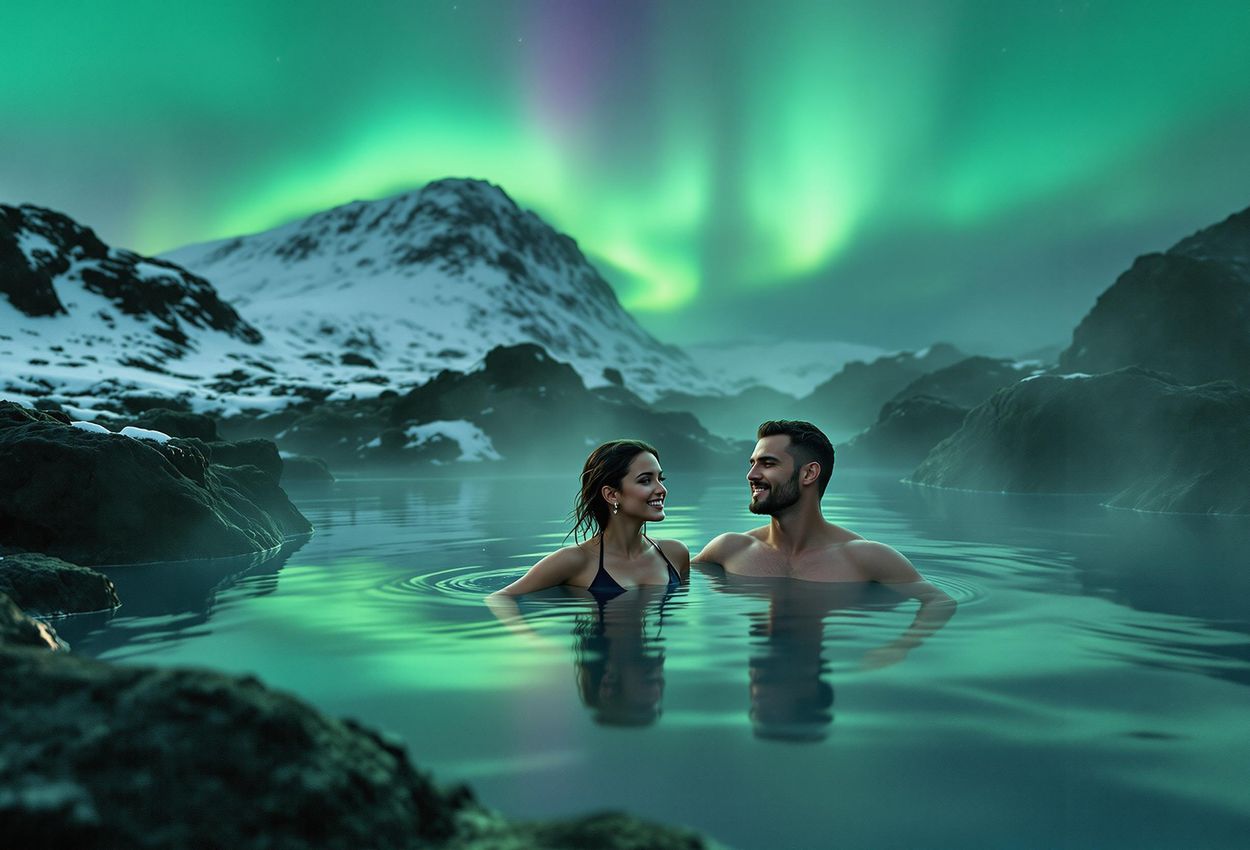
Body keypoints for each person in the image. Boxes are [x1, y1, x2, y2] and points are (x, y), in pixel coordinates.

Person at [695, 420, 954, 663]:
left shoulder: (865, 558)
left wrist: (898, 648)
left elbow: (939, 601)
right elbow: (671, 579)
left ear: (809, 473)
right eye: (752, 463)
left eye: (768, 463)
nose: (751, 474)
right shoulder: (728, 549)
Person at [488, 439, 689, 600]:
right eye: (645, 480)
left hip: (654, 651)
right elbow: (500, 599)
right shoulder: (575, 561)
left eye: (660, 479)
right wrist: (537, 643)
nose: (661, 490)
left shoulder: (675, 554)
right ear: (611, 495)